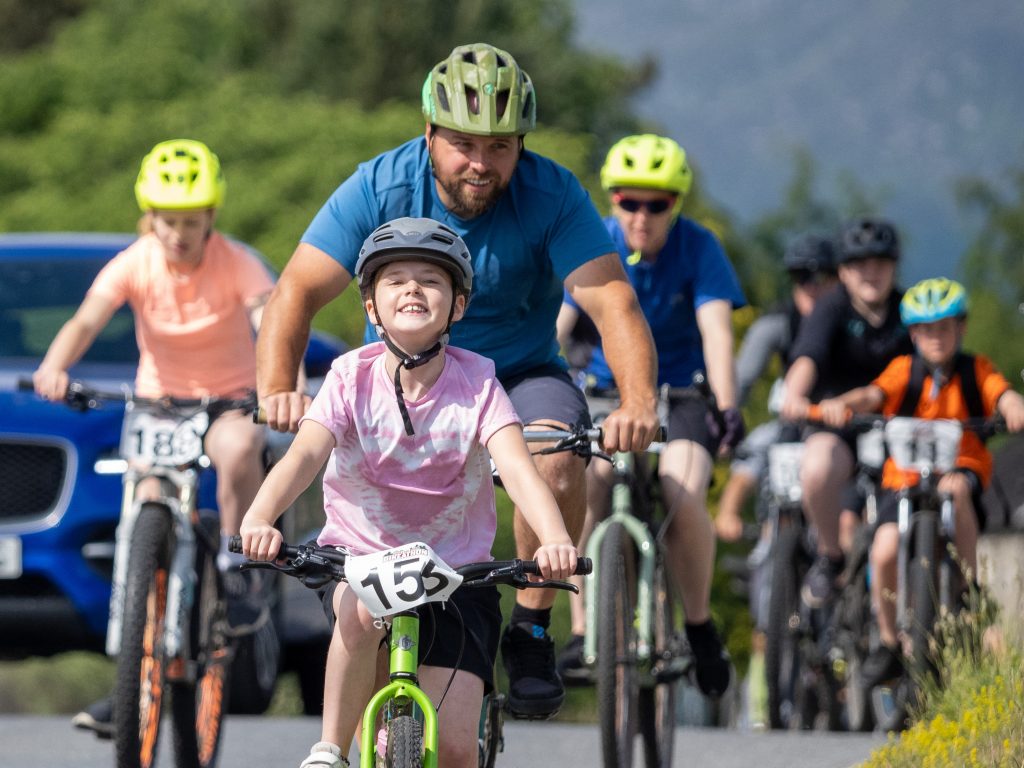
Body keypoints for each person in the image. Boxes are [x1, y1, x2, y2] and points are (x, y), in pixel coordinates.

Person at [255, 42, 660, 718]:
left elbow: (612, 301)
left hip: (518, 376)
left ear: (521, 145)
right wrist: (276, 388)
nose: (480, 163)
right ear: (429, 134)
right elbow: (295, 290)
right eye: (463, 144)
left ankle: (530, 625)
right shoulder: (380, 186)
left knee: (560, 459)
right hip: (402, 376)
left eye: (500, 147)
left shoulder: (552, 193)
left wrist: (638, 401)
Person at [240, 218, 579, 768]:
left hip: (457, 575)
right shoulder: (348, 378)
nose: (413, 289)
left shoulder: (479, 384)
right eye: (395, 280)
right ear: (371, 306)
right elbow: (303, 457)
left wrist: (555, 538)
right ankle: (329, 750)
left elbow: (519, 470)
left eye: (431, 280)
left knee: (454, 752)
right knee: (359, 613)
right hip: (360, 560)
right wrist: (260, 517)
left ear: (458, 305)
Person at [32, 138, 273, 736]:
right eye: (168, 221)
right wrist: (55, 366)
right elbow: (87, 319)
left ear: (211, 217)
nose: (179, 234)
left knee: (241, 447)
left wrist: (281, 382)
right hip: (158, 404)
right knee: (140, 514)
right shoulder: (135, 262)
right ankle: (132, 672)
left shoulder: (237, 262)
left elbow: (268, 319)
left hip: (228, 400)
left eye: (191, 221)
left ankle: (239, 561)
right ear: (150, 218)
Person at [555, 134, 746, 697]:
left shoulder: (700, 247)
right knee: (587, 481)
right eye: (628, 201)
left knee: (680, 493)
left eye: (656, 204)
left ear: (675, 204)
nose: (641, 216)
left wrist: (727, 404)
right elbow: (558, 325)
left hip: (679, 394)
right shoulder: (594, 241)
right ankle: (584, 629)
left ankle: (699, 625)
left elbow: (717, 333)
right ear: (612, 201)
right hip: (603, 390)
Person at [815, 277, 1024, 685]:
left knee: (955, 489)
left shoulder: (976, 370)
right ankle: (888, 642)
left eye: (944, 327)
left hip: (960, 469)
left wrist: (1014, 406)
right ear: (913, 334)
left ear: (961, 328)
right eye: (926, 330)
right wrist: (841, 404)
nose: (936, 338)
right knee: (883, 550)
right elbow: (872, 395)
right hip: (903, 480)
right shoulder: (903, 371)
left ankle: (967, 587)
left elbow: (1001, 394)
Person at [780, 216, 914, 608]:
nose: (871, 272)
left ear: (894, 267)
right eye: (860, 264)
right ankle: (829, 556)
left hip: (896, 428)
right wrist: (794, 395)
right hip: (836, 422)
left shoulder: (908, 311)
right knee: (817, 466)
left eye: (881, 263)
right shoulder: (831, 307)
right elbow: (808, 356)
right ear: (842, 271)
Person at [714, 233, 839, 542]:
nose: (811, 286)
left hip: (843, 422)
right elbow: (742, 379)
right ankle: (734, 519)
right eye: (801, 276)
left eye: (822, 276)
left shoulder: (851, 322)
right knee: (759, 447)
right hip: (795, 419)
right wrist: (725, 420)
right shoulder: (777, 323)